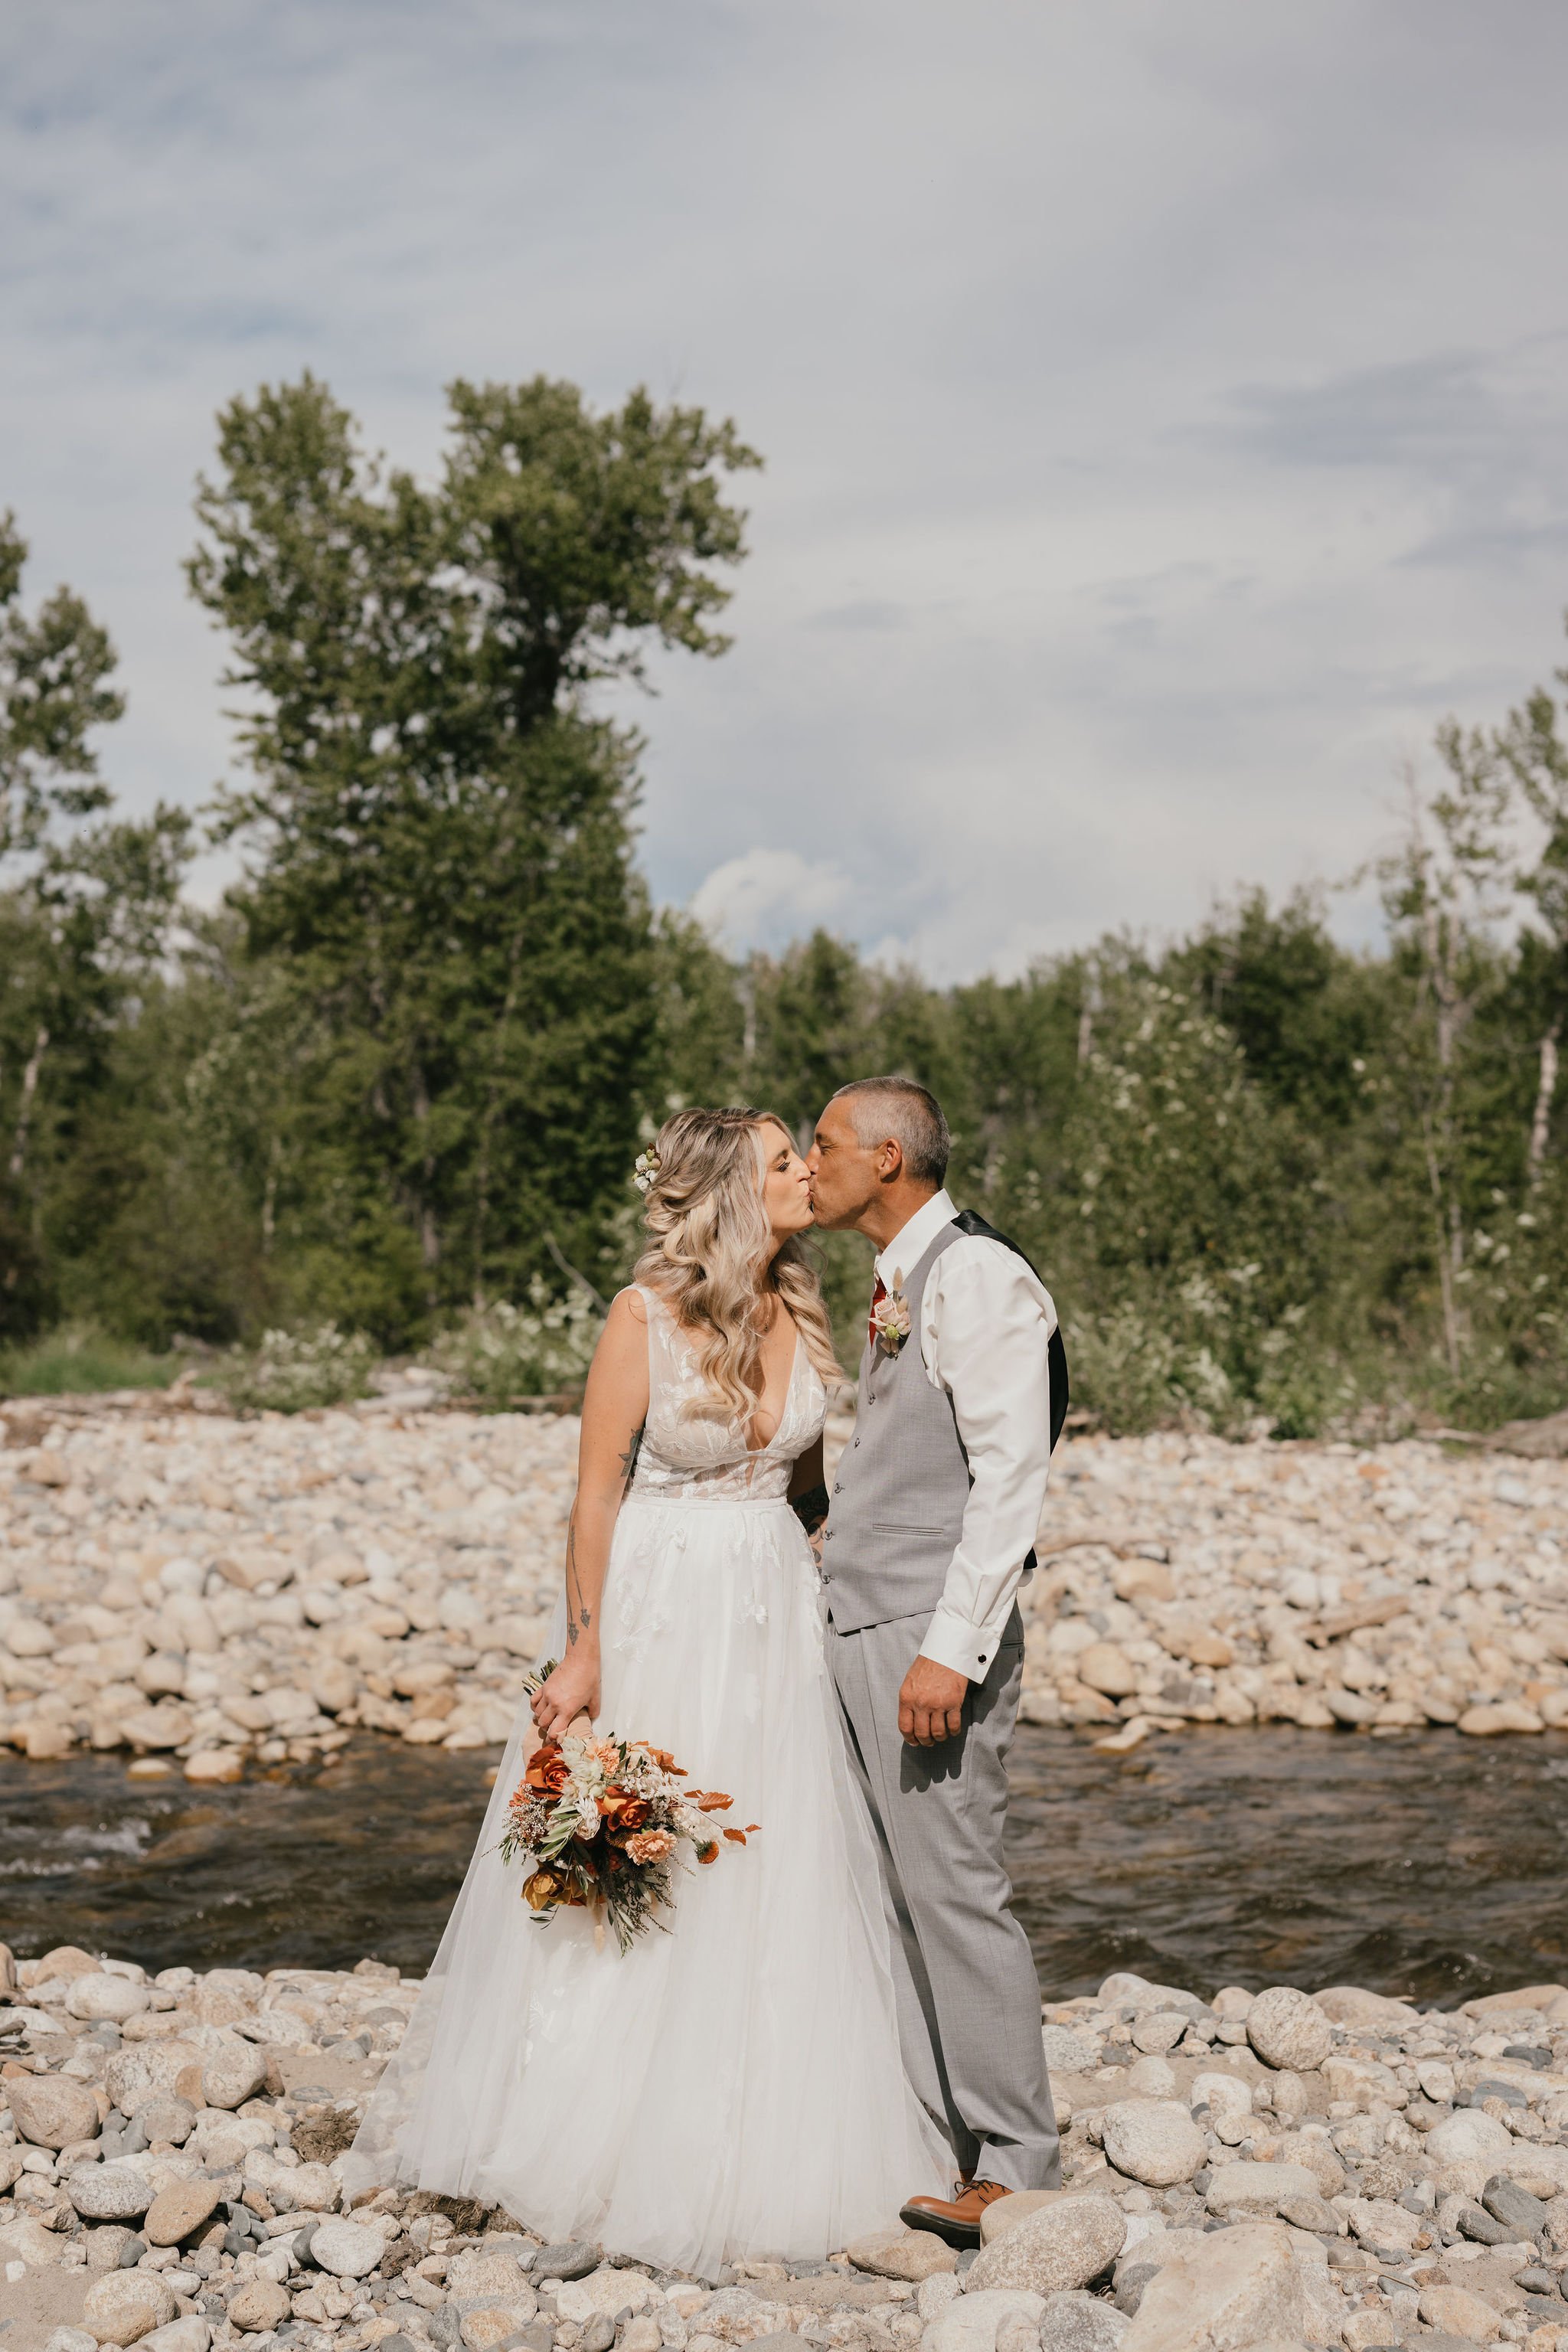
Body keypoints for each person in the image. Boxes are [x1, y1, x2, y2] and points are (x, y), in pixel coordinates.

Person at [345, 1106, 947, 2275]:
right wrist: (582, 1651)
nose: (804, 1176)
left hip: (776, 1610)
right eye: (782, 1163)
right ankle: (597, 2132)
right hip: (666, 1606)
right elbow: (594, 1494)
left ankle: (762, 2121)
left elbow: (812, 1493)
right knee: (648, 1856)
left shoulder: (807, 1304)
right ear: (729, 1190)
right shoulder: (643, 1317)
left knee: (783, 1859)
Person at [806, 1077, 1062, 2247]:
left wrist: (950, 1654)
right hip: (868, 1617)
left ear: (890, 1154)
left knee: (955, 1891)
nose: (811, 1164)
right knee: (902, 1899)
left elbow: (1011, 1478)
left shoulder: (977, 1275)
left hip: (925, 1635)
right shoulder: (896, 1280)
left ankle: (1015, 2161)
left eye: (824, 1145)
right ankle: (941, 2140)